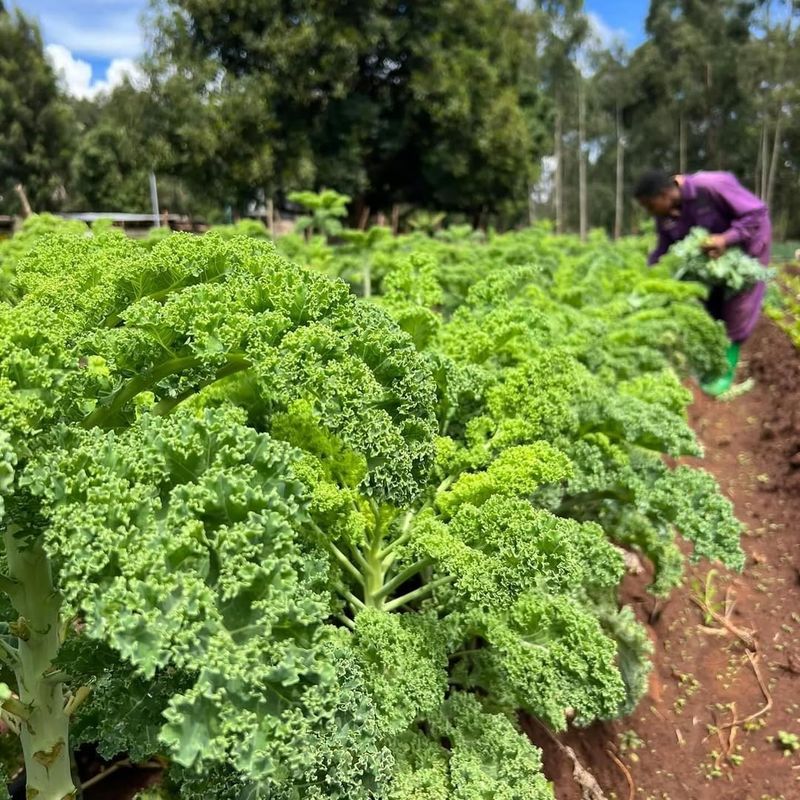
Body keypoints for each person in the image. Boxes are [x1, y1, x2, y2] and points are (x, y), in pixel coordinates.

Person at [634, 169, 772, 396]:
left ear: (663, 195)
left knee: (737, 305)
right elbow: (663, 249)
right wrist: (649, 277)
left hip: (745, 251)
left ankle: (724, 373)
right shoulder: (666, 217)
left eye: (650, 206)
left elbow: (756, 214)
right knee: (708, 305)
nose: (651, 213)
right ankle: (710, 363)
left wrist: (726, 239)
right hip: (711, 260)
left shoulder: (709, 186)